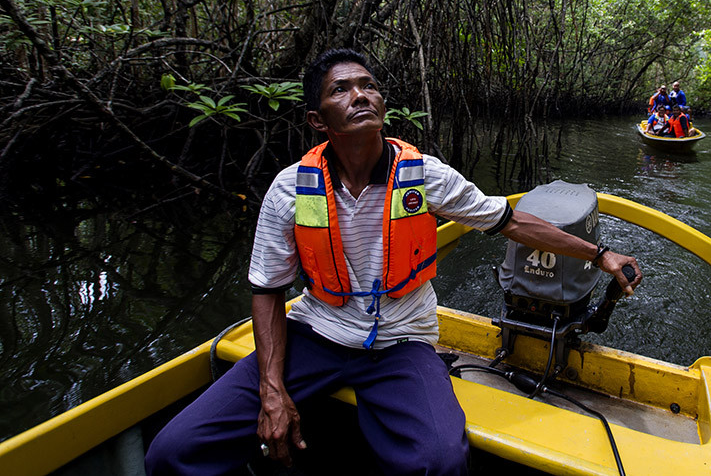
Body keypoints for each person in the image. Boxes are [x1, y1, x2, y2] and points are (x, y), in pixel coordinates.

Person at [145, 48, 642, 476]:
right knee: (173, 451)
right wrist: (272, 390)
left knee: (440, 462)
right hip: (315, 335)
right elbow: (268, 290)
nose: (361, 95)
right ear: (318, 121)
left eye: (369, 86)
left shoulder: (424, 176)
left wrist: (600, 254)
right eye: (341, 90)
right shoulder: (290, 190)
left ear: (383, 104)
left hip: (401, 342)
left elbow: (510, 221)